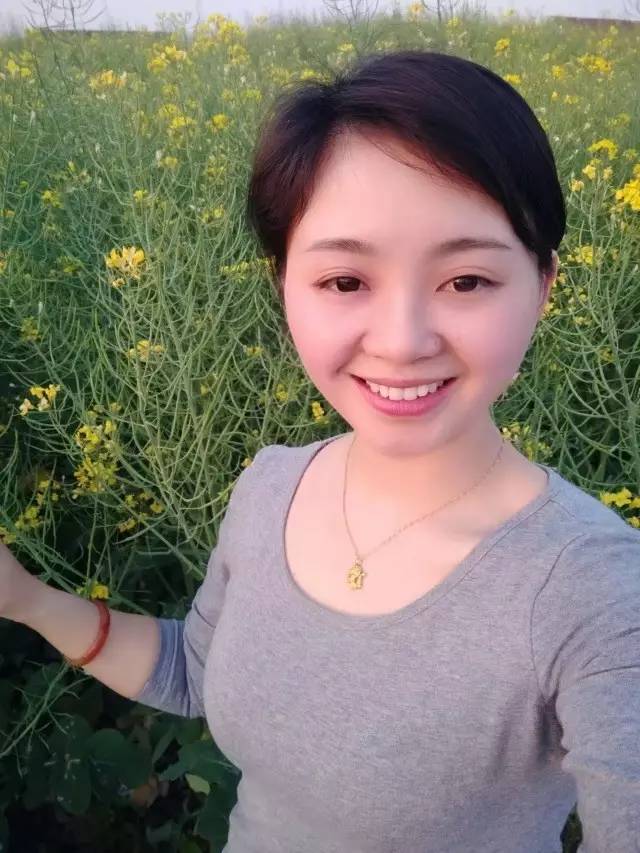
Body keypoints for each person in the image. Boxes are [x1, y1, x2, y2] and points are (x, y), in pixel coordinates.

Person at [1, 49, 639, 852]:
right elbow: (194, 672)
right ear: (283, 285)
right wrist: (25, 598)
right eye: (345, 282)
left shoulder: (596, 589)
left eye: (467, 281)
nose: (402, 341)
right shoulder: (273, 484)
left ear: (545, 286)